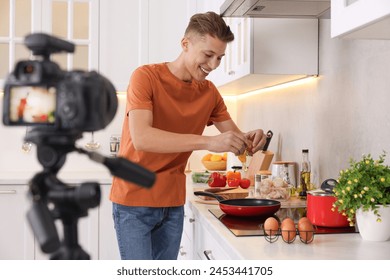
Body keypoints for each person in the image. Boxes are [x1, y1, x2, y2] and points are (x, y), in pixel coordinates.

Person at [109, 11, 268, 260]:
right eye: (208, 55)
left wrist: (251, 138)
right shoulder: (146, 77)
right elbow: (142, 138)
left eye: (220, 57)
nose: (214, 65)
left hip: (172, 203)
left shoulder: (209, 92)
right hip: (134, 201)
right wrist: (209, 142)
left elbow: (237, 140)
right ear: (186, 44)